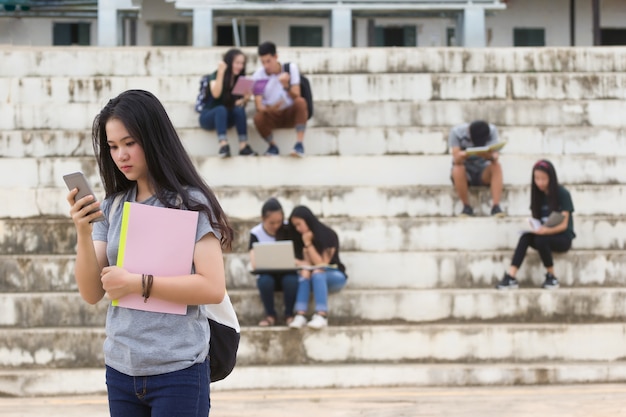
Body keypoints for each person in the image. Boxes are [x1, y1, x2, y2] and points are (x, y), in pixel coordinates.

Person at [66, 89, 234, 416]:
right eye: (113, 147)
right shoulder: (113, 206)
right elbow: (90, 292)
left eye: (130, 143)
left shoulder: (191, 203)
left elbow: (212, 288)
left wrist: (136, 283)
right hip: (120, 368)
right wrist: (83, 231)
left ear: (153, 138)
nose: (121, 155)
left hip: (178, 370)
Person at [496, 159, 575, 290]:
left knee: (541, 239)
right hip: (543, 233)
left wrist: (545, 231)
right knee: (525, 238)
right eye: (537, 179)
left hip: (561, 237)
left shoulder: (563, 194)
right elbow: (537, 219)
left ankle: (551, 275)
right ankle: (511, 276)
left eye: (544, 179)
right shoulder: (537, 195)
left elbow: (564, 225)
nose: (540, 183)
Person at [287, 206, 347, 330]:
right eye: (295, 226)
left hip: (334, 276)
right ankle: (300, 314)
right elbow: (306, 264)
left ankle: (322, 315)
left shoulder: (328, 235)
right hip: (312, 276)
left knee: (318, 272)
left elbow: (321, 263)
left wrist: (308, 244)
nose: (298, 229)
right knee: (306, 272)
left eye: (299, 224)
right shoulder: (299, 238)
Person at [196, 48, 257, 158]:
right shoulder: (215, 75)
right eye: (237, 63)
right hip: (208, 116)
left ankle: (243, 146)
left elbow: (236, 104)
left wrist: (245, 99)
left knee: (238, 110)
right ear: (229, 62)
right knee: (221, 109)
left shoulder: (240, 79)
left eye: (242, 63)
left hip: (226, 117)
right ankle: (223, 145)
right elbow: (216, 94)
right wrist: (221, 72)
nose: (240, 66)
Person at [252, 41, 308, 157]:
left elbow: (297, 96)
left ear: (276, 57)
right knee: (258, 117)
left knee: (300, 102)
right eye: (263, 62)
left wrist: (286, 86)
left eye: (268, 61)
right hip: (272, 114)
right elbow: (259, 106)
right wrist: (271, 109)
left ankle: (299, 144)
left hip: (289, 112)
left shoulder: (290, 68)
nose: (266, 65)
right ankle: (272, 145)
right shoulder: (259, 75)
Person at [249, 198, 299, 326]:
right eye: (272, 223)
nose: (276, 226)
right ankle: (270, 315)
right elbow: (254, 262)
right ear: (263, 218)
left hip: (287, 273)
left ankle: (289, 315)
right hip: (267, 274)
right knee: (265, 281)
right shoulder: (256, 233)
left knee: (291, 280)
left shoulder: (288, 229)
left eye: (279, 222)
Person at [449, 120, 504, 217]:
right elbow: (456, 159)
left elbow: (495, 157)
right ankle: (466, 206)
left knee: (496, 166)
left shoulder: (492, 131)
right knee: (457, 168)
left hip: (483, 169)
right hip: (466, 172)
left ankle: (496, 206)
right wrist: (464, 154)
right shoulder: (456, 132)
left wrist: (488, 156)